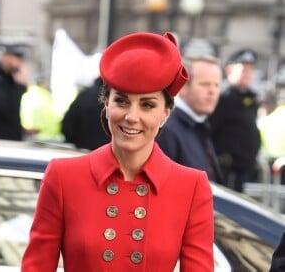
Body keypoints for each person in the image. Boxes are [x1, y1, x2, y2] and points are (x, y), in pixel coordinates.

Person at [21, 32, 214, 271]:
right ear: (107, 104)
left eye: (147, 105)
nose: (131, 117)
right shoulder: (63, 176)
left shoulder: (191, 186)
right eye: (121, 101)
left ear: (165, 114)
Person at [157, 55, 223, 183]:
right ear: (183, 87)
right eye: (204, 84)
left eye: (216, 85)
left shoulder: (200, 124)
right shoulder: (168, 130)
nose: (212, 91)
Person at [209, 49, 261, 192]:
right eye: (244, 69)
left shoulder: (251, 98)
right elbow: (210, 131)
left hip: (245, 168)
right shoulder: (222, 98)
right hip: (227, 169)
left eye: (250, 69)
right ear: (230, 70)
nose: (248, 73)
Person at [0, 45, 28, 140]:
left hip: (11, 141)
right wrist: (20, 84)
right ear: (4, 58)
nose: (17, 62)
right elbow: (8, 112)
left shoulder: (12, 82)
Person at [61, 76, 110, 150]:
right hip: (107, 153)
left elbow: (67, 127)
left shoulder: (84, 96)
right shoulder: (116, 101)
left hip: (81, 150)